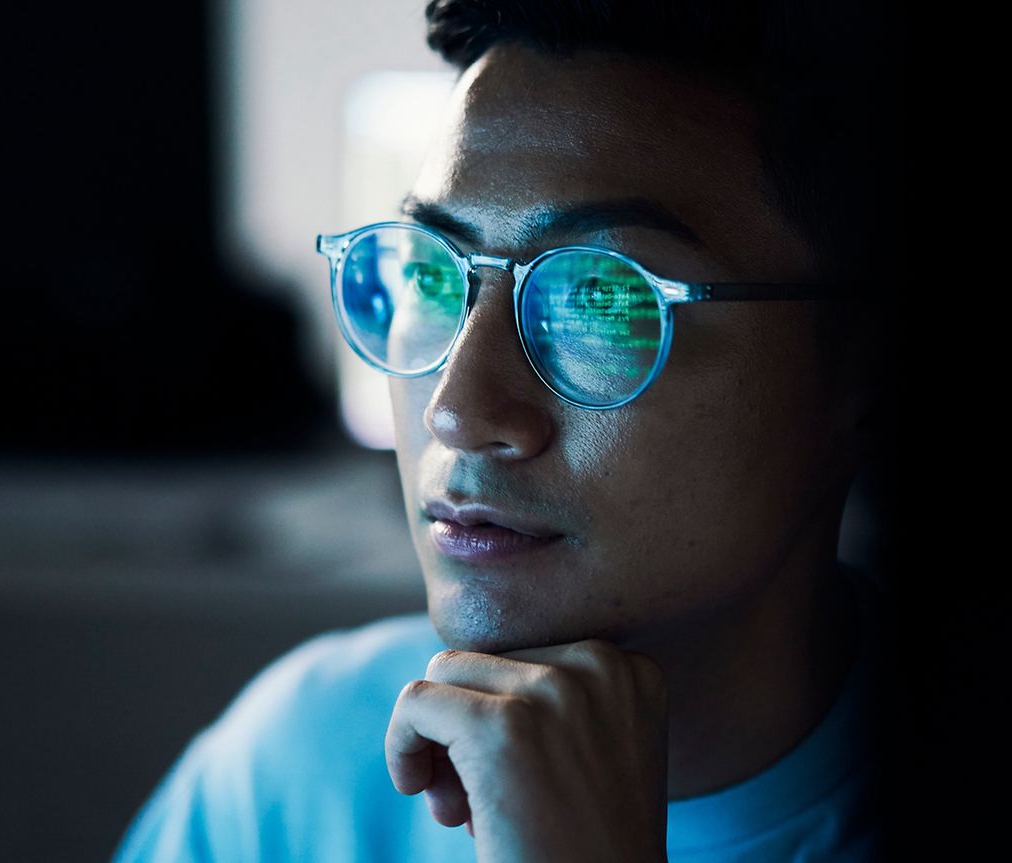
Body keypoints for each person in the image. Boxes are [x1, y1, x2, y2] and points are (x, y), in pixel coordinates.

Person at [113, 0, 901, 860]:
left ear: (864, 370)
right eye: (431, 272)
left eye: (600, 297)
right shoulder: (302, 770)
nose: (458, 409)